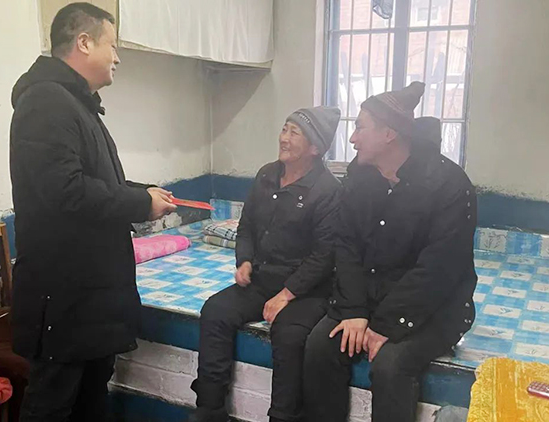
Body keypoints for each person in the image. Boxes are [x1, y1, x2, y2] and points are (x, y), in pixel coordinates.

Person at [9, 3, 176, 421]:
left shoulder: (77, 103)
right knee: (52, 406)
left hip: (88, 298)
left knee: (90, 403)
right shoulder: (46, 102)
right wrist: (140, 203)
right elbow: (65, 191)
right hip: (63, 297)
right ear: (84, 43)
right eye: (112, 46)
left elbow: (94, 180)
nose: (117, 57)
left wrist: (143, 193)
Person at [303, 83, 477, 422]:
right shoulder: (361, 177)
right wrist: (354, 310)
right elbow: (346, 246)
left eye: (360, 128)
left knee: (390, 365)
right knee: (320, 346)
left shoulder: (449, 185)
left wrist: (386, 325)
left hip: (433, 308)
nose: (352, 139)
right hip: (369, 299)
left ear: (388, 134)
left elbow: (438, 270)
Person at [190, 107, 342, 422]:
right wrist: (244, 260)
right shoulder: (267, 175)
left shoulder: (327, 190)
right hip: (262, 279)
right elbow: (246, 225)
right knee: (215, 311)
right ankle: (210, 408)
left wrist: (286, 295)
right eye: (285, 129)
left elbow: (325, 255)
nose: (284, 138)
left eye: (294, 133)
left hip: (307, 291)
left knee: (288, 336)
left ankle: (283, 417)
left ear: (315, 148)